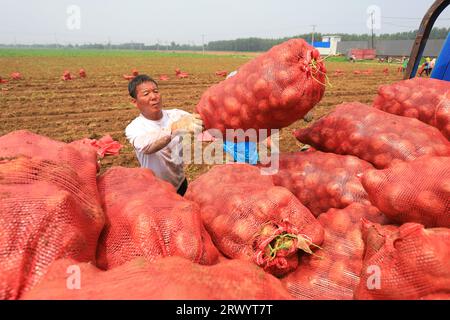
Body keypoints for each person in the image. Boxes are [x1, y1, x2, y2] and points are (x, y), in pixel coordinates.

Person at [125, 74, 203, 196]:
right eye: (146, 94)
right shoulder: (135, 128)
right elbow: (146, 147)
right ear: (134, 102)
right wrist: (174, 128)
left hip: (180, 183)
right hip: (155, 189)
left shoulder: (177, 115)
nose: (153, 97)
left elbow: (202, 121)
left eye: (156, 91)